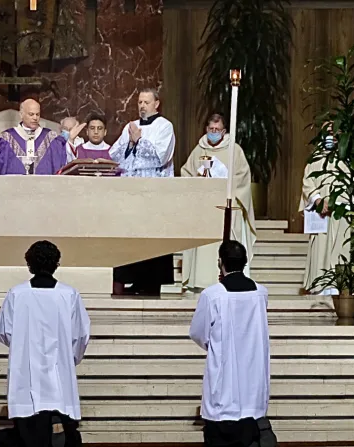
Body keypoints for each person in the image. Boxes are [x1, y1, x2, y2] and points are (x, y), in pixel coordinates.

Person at [0, 240, 90, 447]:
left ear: (29, 264)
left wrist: (22, 347)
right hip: (59, 375)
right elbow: (81, 335)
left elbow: (3, 331)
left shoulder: (17, 294)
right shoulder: (69, 295)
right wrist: (69, 359)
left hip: (26, 376)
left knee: (27, 435)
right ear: (56, 264)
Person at [189, 241, 270, 447]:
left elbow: (198, 332)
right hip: (253, 376)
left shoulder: (212, 295)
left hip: (224, 379)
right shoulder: (260, 293)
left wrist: (217, 347)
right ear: (245, 262)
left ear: (220, 262)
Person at [109, 88, 176, 296]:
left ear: (157, 104)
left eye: (146, 102)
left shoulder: (165, 126)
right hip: (131, 194)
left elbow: (161, 157)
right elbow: (114, 156)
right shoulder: (131, 127)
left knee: (152, 239)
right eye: (139, 102)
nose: (142, 106)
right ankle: (132, 280)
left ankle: (151, 283)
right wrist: (130, 142)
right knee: (131, 237)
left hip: (154, 195)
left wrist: (139, 141)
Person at [181, 113, 257, 290]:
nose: (213, 132)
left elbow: (243, 176)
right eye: (211, 129)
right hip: (204, 208)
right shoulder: (199, 150)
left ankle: (228, 278)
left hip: (225, 206)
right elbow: (186, 173)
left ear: (224, 131)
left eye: (217, 129)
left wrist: (225, 182)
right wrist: (200, 179)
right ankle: (200, 281)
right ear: (206, 129)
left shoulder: (234, 150)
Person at [300, 124, 350, 295]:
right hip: (321, 213)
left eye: (334, 133)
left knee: (342, 248)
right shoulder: (315, 160)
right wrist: (317, 199)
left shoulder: (348, 159)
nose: (331, 137)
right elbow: (307, 182)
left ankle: (342, 288)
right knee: (321, 249)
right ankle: (320, 287)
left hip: (343, 215)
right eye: (327, 133)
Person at [0, 99, 83, 175]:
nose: (35, 118)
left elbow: (65, 163)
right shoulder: (6, 138)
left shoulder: (51, 138)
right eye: (31, 114)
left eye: (37, 114)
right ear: (21, 114)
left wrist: (70, 140)